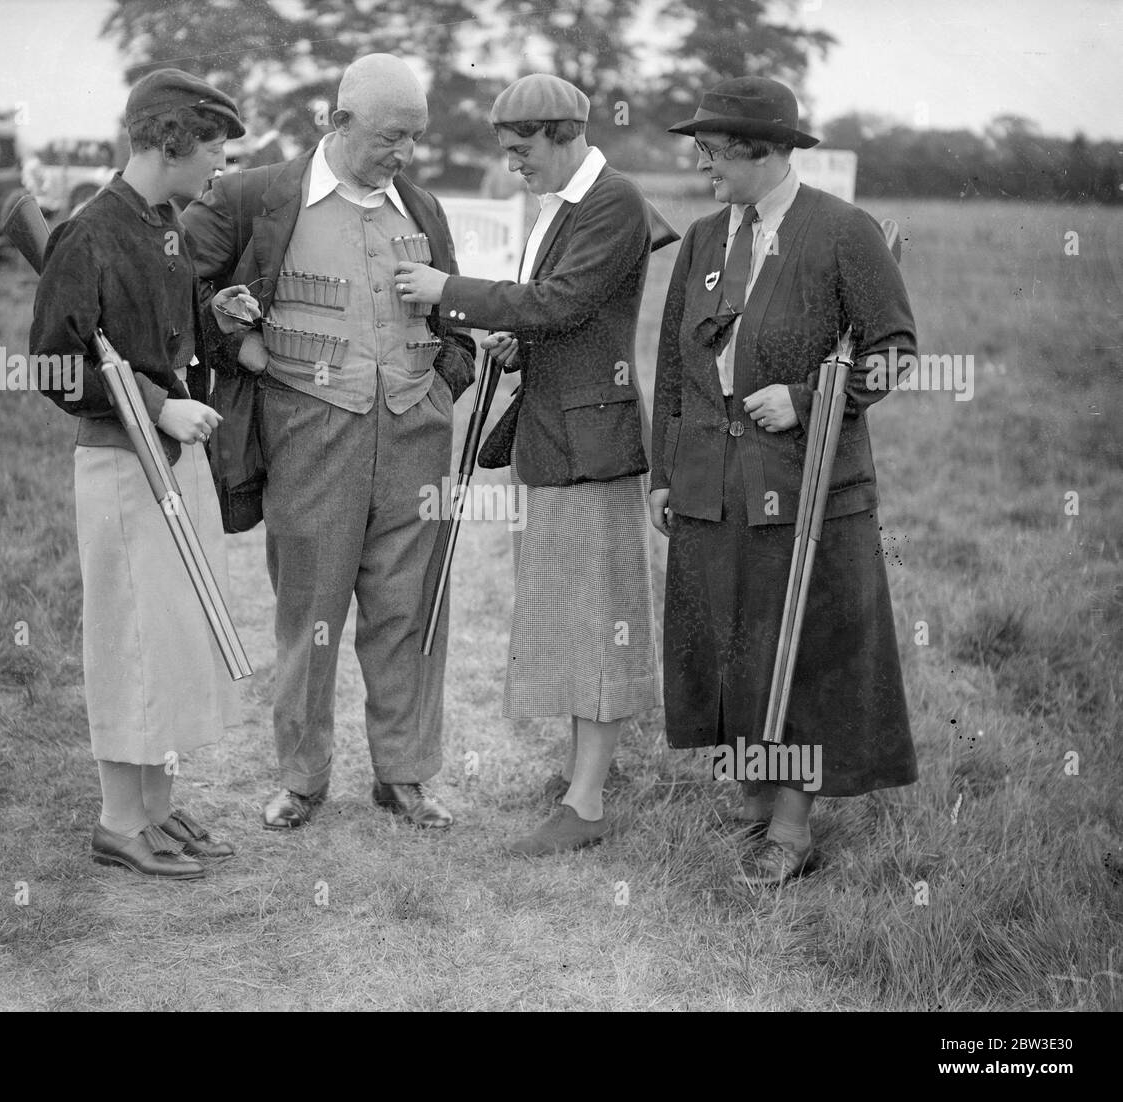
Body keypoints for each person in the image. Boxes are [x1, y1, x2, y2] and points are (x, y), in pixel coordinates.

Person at [182, 54, 476, 832]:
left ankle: (405, 776)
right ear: (337, 123)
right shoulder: (253, 198)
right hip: (310, 432)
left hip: (416, 435)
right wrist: (239, 350)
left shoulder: (424, 206)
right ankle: (303, 780)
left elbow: (456, 317)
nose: (404, 154)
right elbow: (176, 290)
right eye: (390, 136)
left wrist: (446, 382)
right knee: (309, 612)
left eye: (415, 137)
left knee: (411, 611)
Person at [649, 76, 919, 886]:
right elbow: (672, 365)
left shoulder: (844, 231)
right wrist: (665, 473)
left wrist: (805, 400)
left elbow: (894, 352)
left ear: (762, 152)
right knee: (730, 645)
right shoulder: (702, 238)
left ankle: (793, 829)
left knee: (796, 649)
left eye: (714, 153)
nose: (704, 169)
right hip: (708, 484)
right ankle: (758, 796)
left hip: (804, 488)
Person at [396, 74, 661, 855]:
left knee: (599, 620)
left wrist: (451, 291)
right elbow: (558, 313)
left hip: (592, 444)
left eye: (521, 150)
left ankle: (585, 803)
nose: (512, 164)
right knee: (570, 618)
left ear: (562, 134)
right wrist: (524, 341)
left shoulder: (613, 200)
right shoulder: (567, 204)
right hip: (558, 437)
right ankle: (580, 779)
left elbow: (564, 302)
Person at [30, 69, 259, 879]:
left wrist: (221, 317)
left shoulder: (162, 222)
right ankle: (118, 821)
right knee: (129, 638)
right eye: (213, 150)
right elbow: (55, 369)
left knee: (169, 637)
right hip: (124, 465)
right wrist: (160, 405)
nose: (219, 167)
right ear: (169, 143)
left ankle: (158, 806)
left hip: (172, 461)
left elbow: (172, 330)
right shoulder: (88, 233)